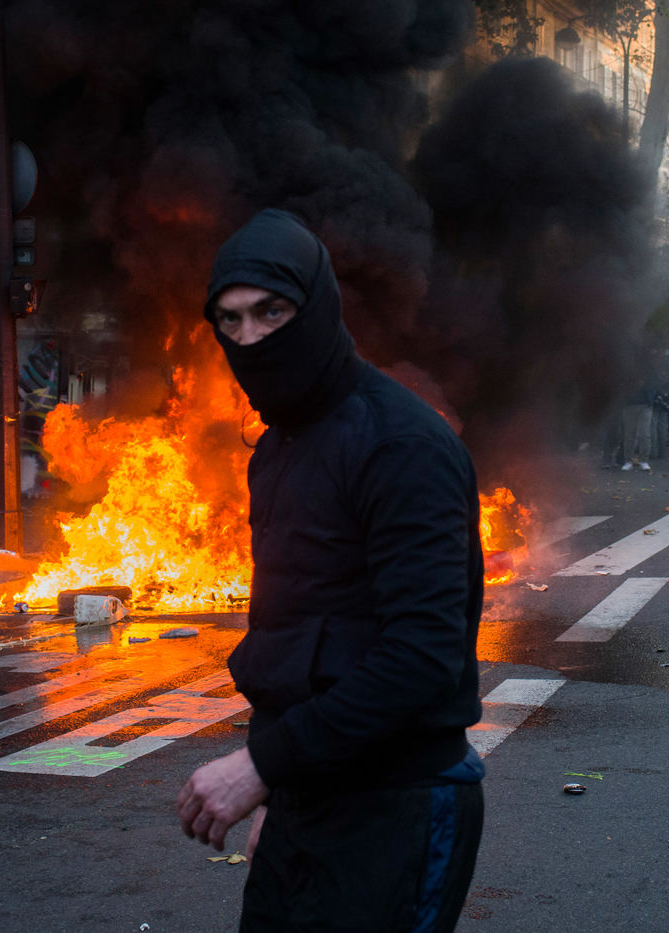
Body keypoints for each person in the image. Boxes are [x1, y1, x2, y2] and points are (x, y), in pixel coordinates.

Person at [177, 209, 484, 931]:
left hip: (399, 805)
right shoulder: (275, 452)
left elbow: (422, 656)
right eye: (230, 320)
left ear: (315, 307)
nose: (250, 338)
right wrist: (285, 792)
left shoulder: (401, 444)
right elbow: (292, 637)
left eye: (271, 313)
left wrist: (264, 768)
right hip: (307, 801)